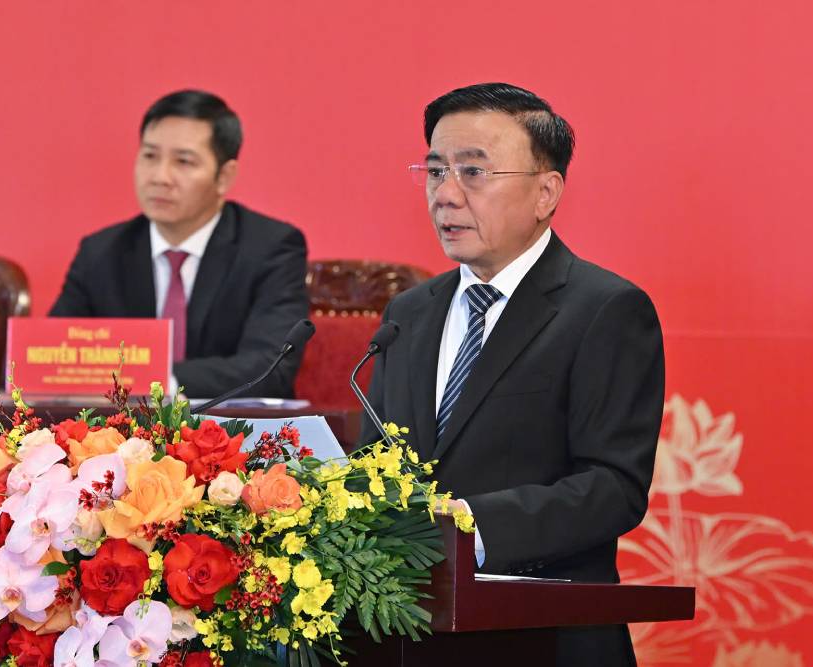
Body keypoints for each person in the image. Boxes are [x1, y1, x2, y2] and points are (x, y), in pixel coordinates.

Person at [362, 83, 665, 665]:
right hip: (412, 638)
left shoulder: (605, 309)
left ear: (546, 192)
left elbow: (613, 487)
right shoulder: (409, 314)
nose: (445, 196)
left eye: (473, 173)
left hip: (543, 639)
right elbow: (377, 464)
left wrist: (470, 526)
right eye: (433, 172)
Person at [50, 89, 309, 399]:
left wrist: (154, 381)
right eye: (149, 156)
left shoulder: (271, 249)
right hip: (122, 442)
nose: (160, 176)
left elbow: (270, 367)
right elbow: (54, 355)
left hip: (234, 437)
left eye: (184, 162)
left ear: (224, 177)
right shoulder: (101, 253)